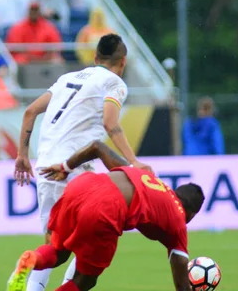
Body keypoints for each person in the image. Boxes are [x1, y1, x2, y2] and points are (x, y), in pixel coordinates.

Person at [12, 34, 152, 291]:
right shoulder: (114, 83)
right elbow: (111, 123)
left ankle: (27, 270)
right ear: (123, 62)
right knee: (89, 243)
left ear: (95, 58)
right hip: (76, 170)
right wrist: (133, 162)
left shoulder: (67, 78)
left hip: (45, 168)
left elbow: (30, 111)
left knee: (52, 246)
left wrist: (22, 155)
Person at [7, 140, 204, 291]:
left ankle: (31, 259)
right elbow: (181, 282)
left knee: (58, 251)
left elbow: (98, 147)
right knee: (86, 278)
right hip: (106, 207)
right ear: (191, 214)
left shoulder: (148, 179)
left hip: (82, 186)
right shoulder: (178, 220)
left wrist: (66, 167)